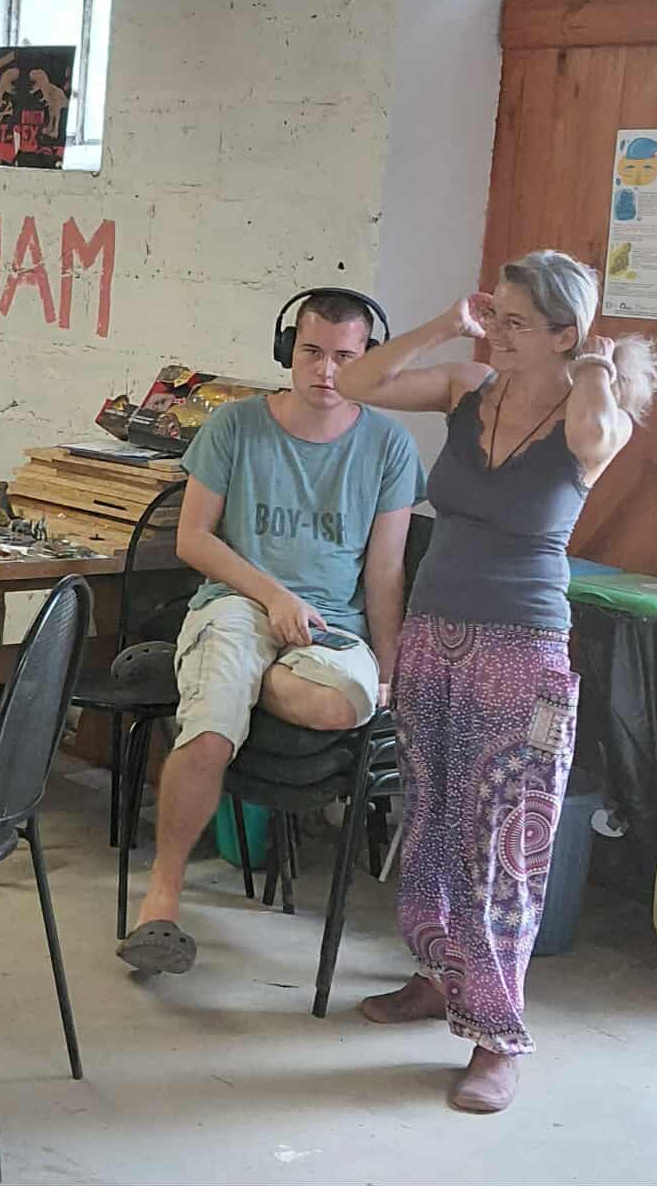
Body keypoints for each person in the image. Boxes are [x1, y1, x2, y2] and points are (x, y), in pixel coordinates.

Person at [336, 249, 657, 1115]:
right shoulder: (467, 387)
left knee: (506, 844)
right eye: (496, 314)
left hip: (523, 647)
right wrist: (447, 325)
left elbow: (592, 436)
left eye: (517, 321)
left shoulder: (594, 414)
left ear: (565, 332)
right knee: (431, 817)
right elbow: (359, 380)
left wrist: (591, 362)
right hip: (434, 631)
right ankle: (435, 973)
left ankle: (496, 1035)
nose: (499, 333)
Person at [116, 290, 422, 975]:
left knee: (342, 703)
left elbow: (385, 571)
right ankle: (160, 903)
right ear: (289, 350)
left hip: (329, 628)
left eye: (345, 356)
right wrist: (272, 594)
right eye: (311, 351)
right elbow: (193, 539)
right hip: (237, 603)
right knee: (211, 730)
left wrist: (390, 670)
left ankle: (233, 678)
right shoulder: (236, 426)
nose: (326, 370)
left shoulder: (390, 447)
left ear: (370, 359)